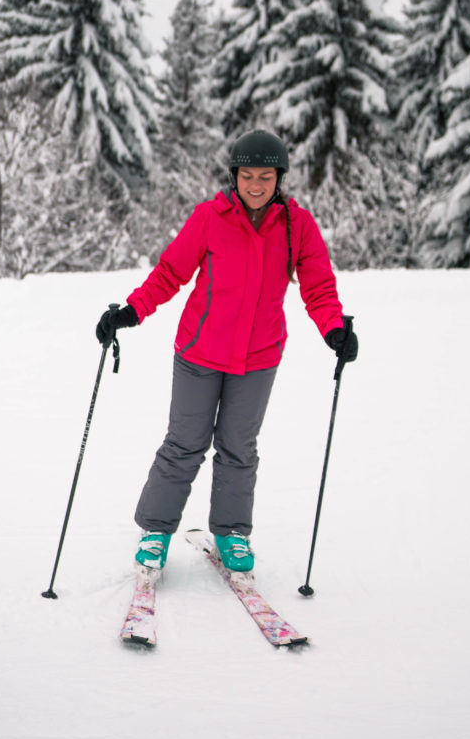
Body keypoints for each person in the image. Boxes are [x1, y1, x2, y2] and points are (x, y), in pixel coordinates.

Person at [96, 129, 357, 574]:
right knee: (184, 444)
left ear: (280, 179)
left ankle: (231, 531)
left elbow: (317, 285)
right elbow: (170, 272)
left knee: (239, 448)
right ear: (234, 176)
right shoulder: (210, 218)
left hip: (258, 359)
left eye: (267, 176)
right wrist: (132, 312)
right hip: (200, 353)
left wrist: (333, 329)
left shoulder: (297, 225)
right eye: (248, 175)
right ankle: (156, 530)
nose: (256, 185)